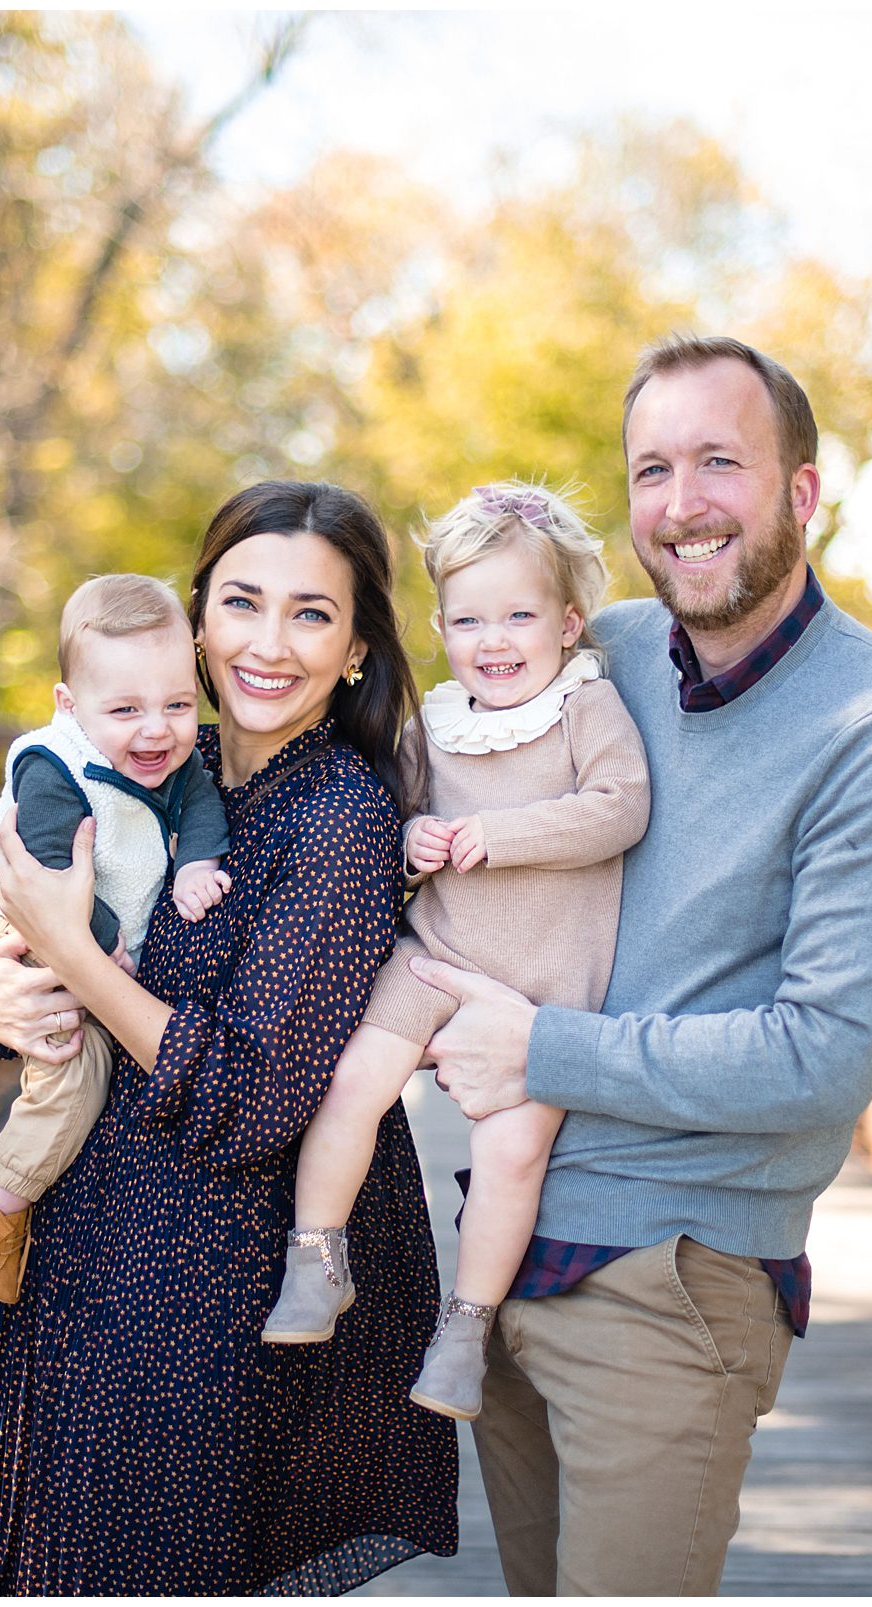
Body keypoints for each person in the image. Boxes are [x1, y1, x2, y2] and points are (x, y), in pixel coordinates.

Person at [412, 335, 872, 1595]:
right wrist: (58, 910)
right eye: (652, 468)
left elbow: (821, 1059)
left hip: (674, 1279)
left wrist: (540, 1046)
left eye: (721, 460)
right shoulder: (590, 650)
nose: (682, 502)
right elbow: (396, 772)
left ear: (804, 491)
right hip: (503, 1251)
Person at [0, 481, 459, 1593]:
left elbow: (249, 1096)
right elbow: (26, 956)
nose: (268, 644)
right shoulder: (132, 752)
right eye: (241, 601)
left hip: (204, 1298)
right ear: (195, 619)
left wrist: (75, 960)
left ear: (359, 645)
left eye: (311, 613)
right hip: (82, 1258)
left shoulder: (338, 820)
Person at [258, 480, 649, 1427]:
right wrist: (416, 841)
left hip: (543, 992)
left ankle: (465, 1328)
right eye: (470, 620)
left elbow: (621, 806)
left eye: (519, 614)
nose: (495, 640)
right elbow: (408, 816)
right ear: (440, 627)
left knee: (512, 1153)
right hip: (432, 961)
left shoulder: (583, 710)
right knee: (353, 1083)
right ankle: (317, 1256)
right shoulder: (438, 722)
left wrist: (499, 834)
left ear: (568, 621)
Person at [0, 573, 235, 1304]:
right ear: (69, 706)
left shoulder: (175, 754)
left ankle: (3, 1205)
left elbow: (198, 796)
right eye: (126, 708)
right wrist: (98, 946)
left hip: (91, 938)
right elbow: (43, 870)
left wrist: (198, 860)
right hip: (40, 926)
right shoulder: (52, 765)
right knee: (74, 1070)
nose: (157, 729)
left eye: (176, 704)